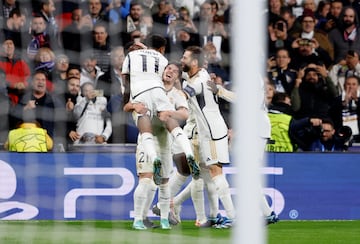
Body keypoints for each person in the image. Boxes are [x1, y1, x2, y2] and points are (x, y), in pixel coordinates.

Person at [121, 35, 199, 190]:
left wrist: (130, 99)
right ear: (162, 49)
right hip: (158, 91)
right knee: (168, 117)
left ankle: (154, 157)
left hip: (140, 93)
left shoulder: (130, 55)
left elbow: (125, 78)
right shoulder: (162, 60)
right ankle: (189, 153)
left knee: (143, 120)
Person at [126, 62, 190, 230]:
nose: (170, 71)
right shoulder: (148, 88)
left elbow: (185, 113)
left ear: (176, 77)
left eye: (175, 71)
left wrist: (170, 113)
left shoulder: (177, 94)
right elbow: (127, 105)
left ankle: (163, 220)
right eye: (168, 68)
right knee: (146, 181)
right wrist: (135, 106)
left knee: (164, 183)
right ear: (163, 71)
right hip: (147, 140)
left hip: (165, 142)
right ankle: (138, 219)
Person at [180, 45, 235, 227]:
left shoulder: (201, 79)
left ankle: (232, 217)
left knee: (216, 173)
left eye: (185, 58)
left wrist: (176, 96)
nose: (182, 60)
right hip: (206, 132)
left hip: (212, 132)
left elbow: (192, 90)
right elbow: (182, 74)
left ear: (194, 62)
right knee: (208, 175)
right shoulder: (193, 74)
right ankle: (214, 216)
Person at [11, 70, 59, 138]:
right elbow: (12, 120)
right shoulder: (24, 98)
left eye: (43, 80)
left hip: (47, 141)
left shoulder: (53, 101)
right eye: (37, 79)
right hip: (27, 139)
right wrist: (25, 108)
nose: (40, 82)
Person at [0, 36, 31, 106]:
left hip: (21, 93)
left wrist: (24, 84)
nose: (9, 46)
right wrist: (14, 85)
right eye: (6, 44)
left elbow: (28, 77)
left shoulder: (21, 62)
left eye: (11, 44)